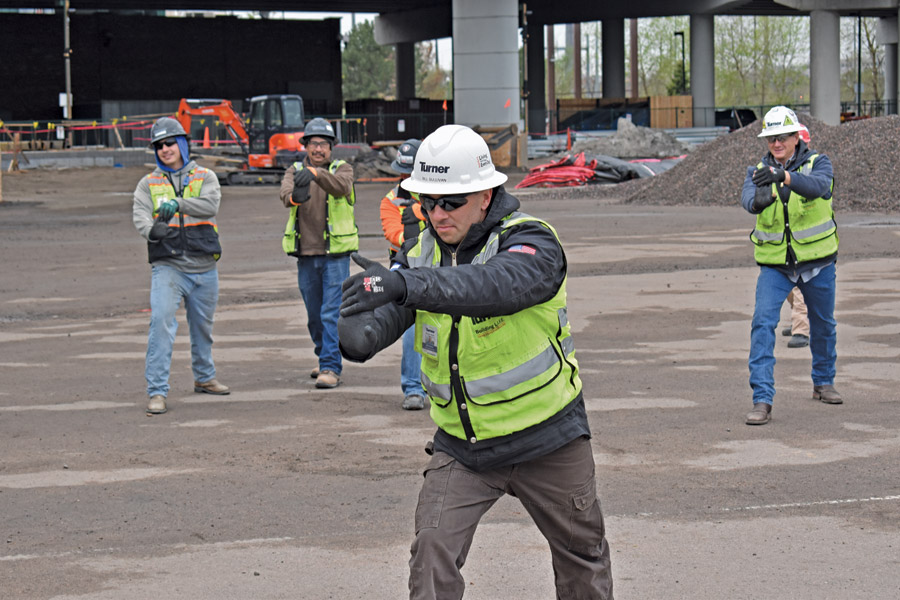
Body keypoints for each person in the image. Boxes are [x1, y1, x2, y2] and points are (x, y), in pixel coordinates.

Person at [338, 124, 613, 599]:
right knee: (431, 553)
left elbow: (494, 287)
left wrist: (407, 285)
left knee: (580, 560)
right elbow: (375, 329)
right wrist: (353, 326)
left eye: (450, 202)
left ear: (486, 195)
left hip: (548, 438)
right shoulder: (421, 251)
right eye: (427, 201)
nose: (436, 213)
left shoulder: (532, 243)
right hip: (465, 448)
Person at [741, 106, 841, 426]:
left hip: (818, 263)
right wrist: (761, 199)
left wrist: (783, 176)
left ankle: (823, 382)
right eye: (770, 138)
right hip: (776, 266)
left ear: (797, 136)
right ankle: (762, 399)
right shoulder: (756, 169)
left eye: (782, 136)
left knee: (823, 325)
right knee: (762, 325)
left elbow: (818, 187)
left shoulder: (818, 163)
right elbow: (748, 202)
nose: (776, 143)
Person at [132, 117, 229, 415]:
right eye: (159, 146)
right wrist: (151, 231)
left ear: (183, 144)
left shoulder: (205, 176)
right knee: (160, 323)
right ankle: (157, 391)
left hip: (203, 265)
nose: (165, 149)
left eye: (170, 143)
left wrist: (179, 203)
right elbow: (140, 216)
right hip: (169, 266)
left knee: (203, 327)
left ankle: (204, 377)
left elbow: (210, 206)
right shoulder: (148, 183)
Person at [280, 118, 357, 389]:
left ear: (331, 147)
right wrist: (298, 194)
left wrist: (316, 174)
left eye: (323, 144)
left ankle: (330, 366)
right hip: (306, 253)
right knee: (314, 314)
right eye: (313, 143)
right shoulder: (293, 170)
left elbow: (341, 187)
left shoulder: (342, 169)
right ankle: (324, 354)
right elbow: (285, 195)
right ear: (306, 146)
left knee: (330, 312)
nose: (318, 149)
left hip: (336, 254)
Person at [379, 139, 428, 410]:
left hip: (442, 264)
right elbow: (393, 233)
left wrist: (420, 213)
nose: (406, 177)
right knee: (411, 328)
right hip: (407, 268)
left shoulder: (437, 192)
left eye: (411, 172)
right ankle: (413, 388)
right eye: (403, 172)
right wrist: (416, 235)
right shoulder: (390, 200)